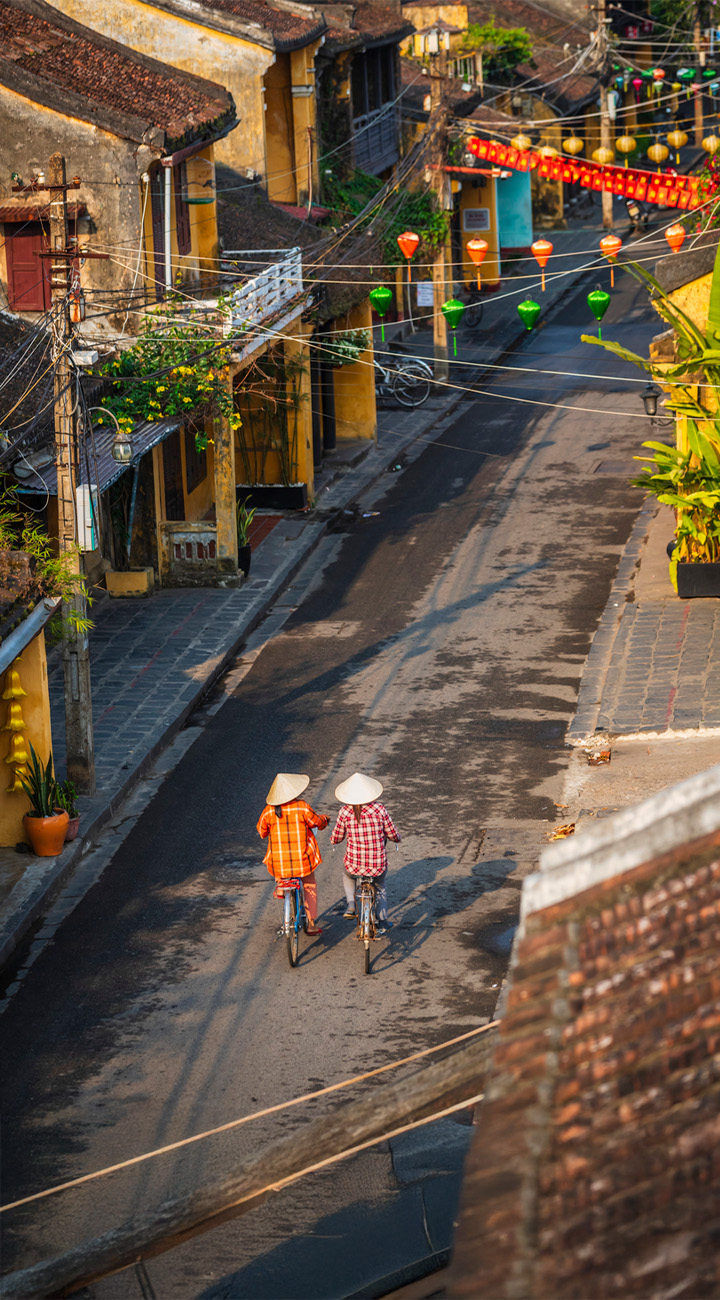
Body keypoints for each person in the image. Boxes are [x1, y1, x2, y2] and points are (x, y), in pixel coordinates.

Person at [257, 773, 329, 936]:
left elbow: (261, 831)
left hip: (280, 864)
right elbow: (317, 822)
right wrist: (325, 820)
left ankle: (281, 887)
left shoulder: (269, 811)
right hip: (302, 861)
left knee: (277, 859)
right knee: (309, 883)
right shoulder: (302, 807)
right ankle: (310, 924)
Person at [330, 773, 400, 935]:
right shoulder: (379, 809)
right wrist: (397, 838)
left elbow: (338, 837)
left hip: (354, 864)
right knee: (380, 887)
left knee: (347, 875)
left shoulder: (345, 812)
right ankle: (382, 921)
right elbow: (391, 833)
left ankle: (351, 904)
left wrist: (333, 840)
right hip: (377, 865)